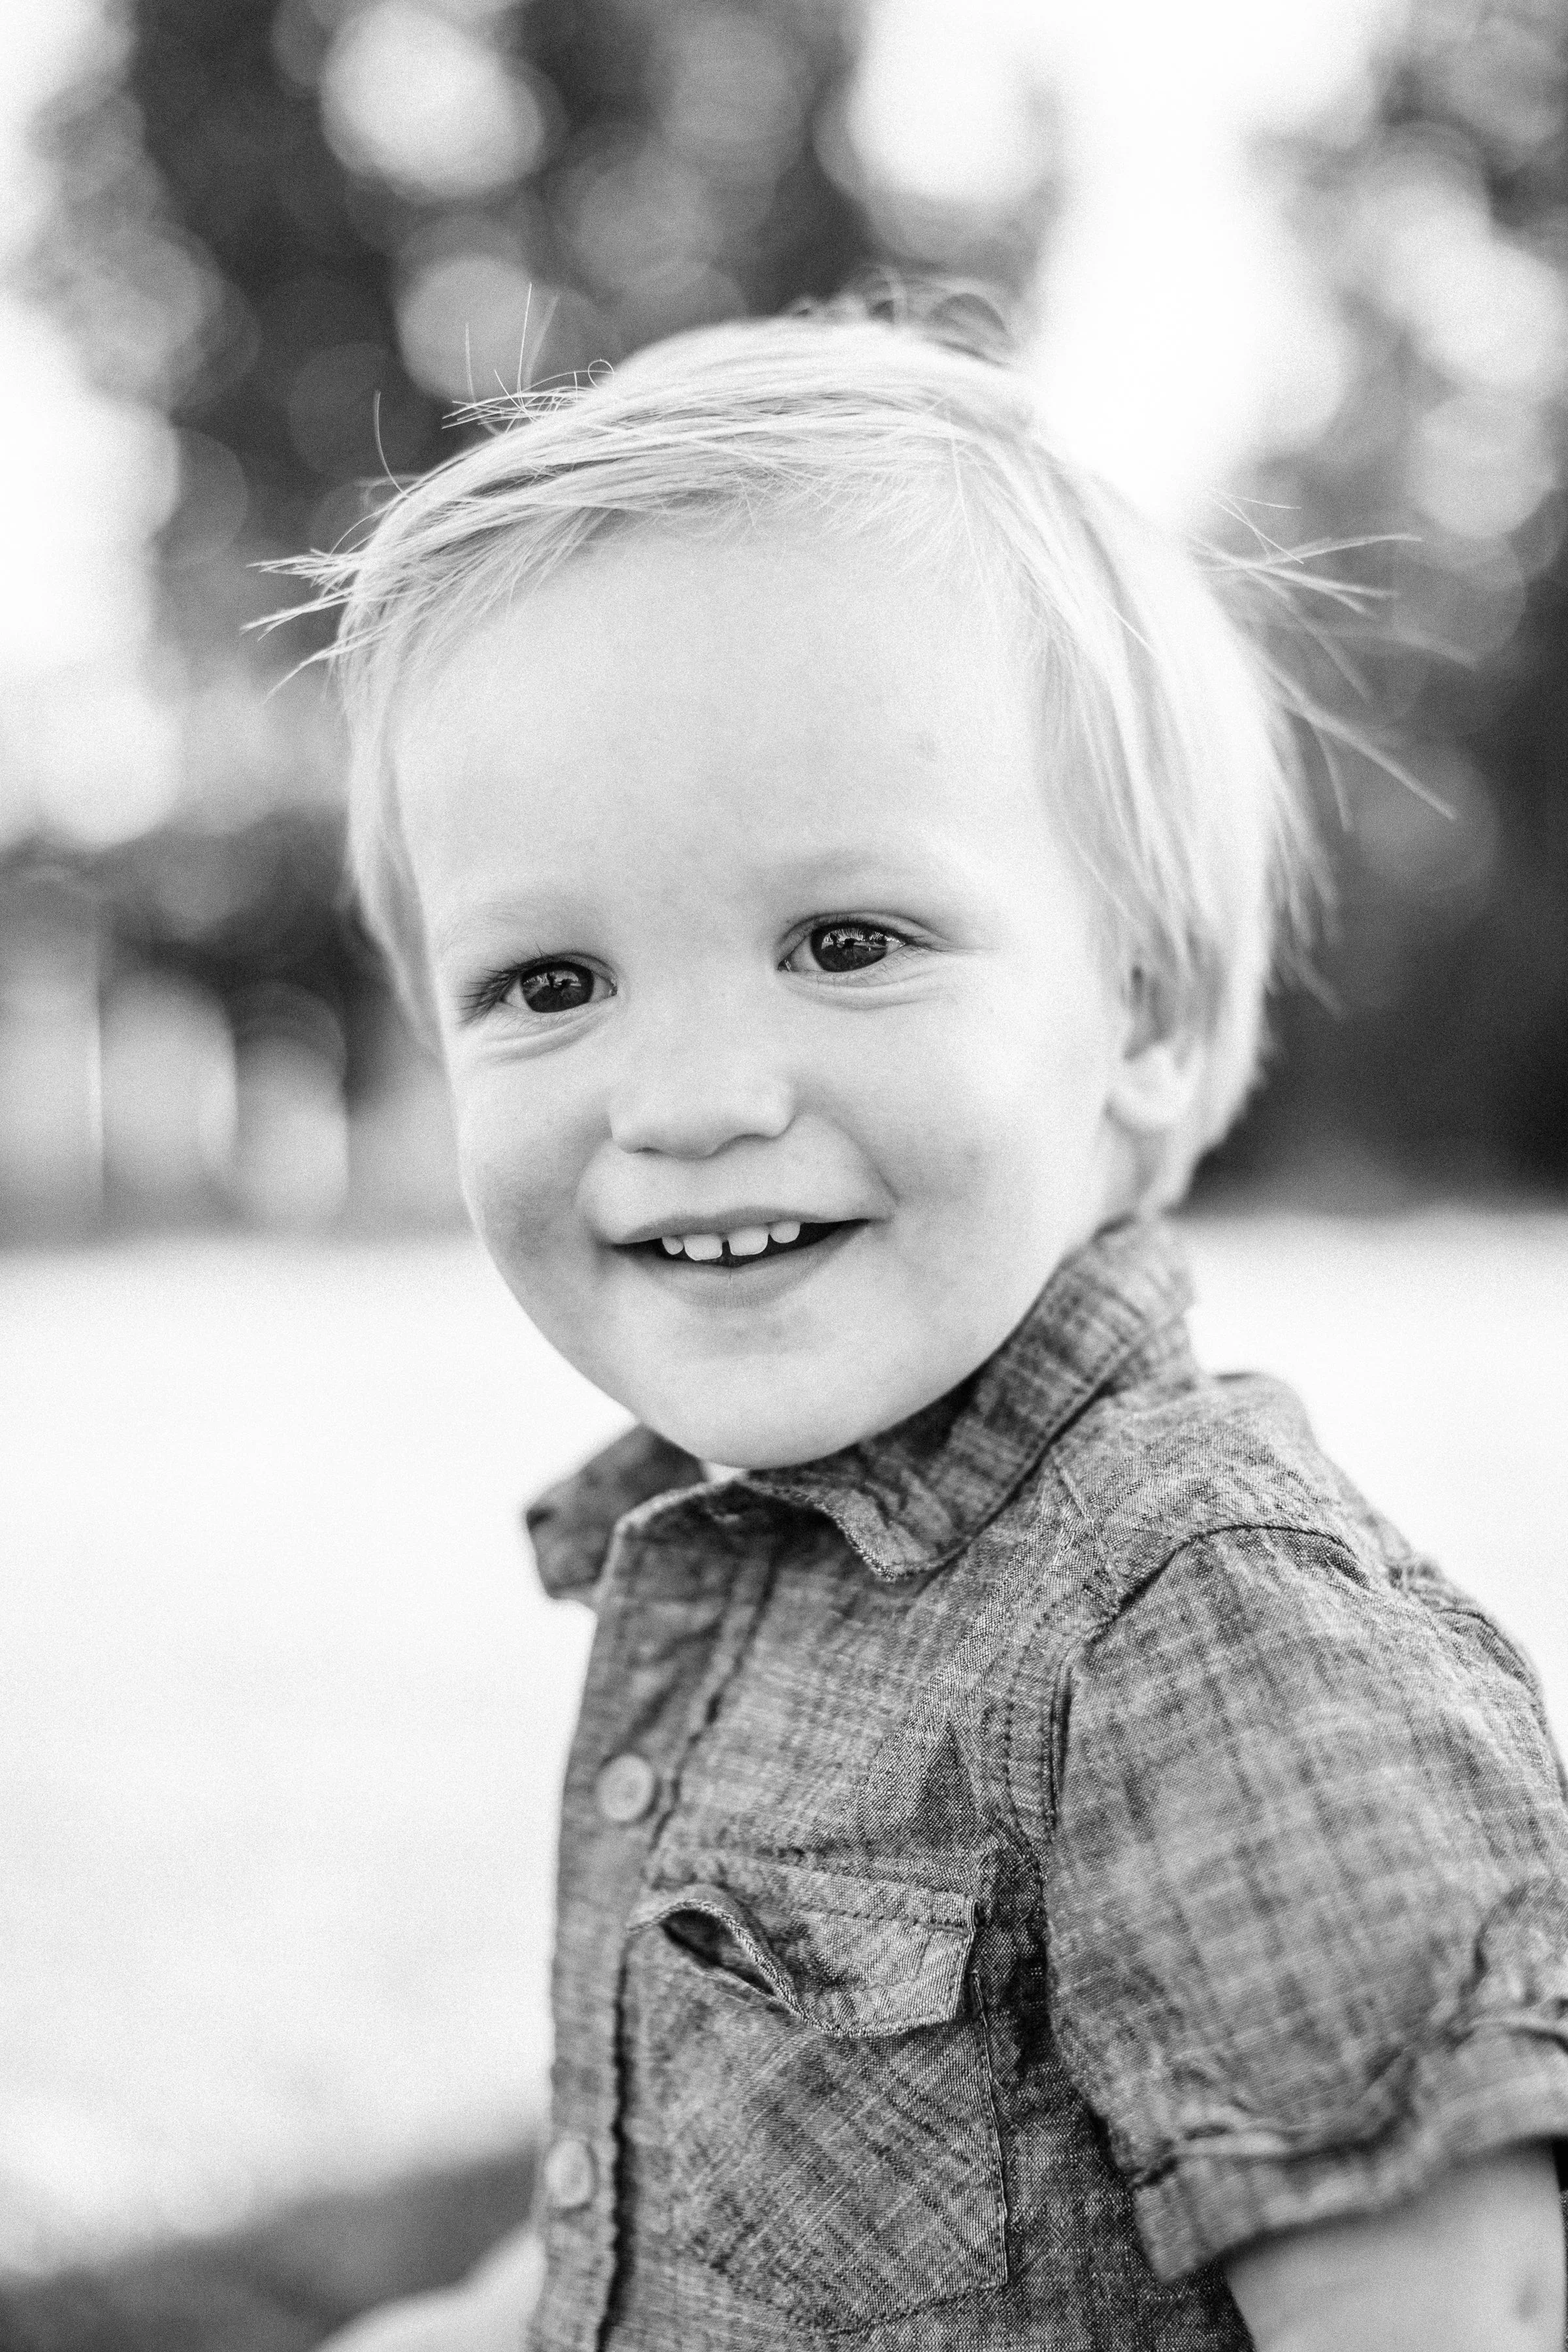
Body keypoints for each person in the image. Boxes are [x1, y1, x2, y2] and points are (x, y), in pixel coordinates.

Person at [306, 301, 1568, 2351]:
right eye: (548, 984)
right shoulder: (779, 1554)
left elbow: (1470, 2306)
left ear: (1142, 1020)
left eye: (845, 942)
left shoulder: (1203, 1635)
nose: (686, 1098)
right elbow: (752, 2186)